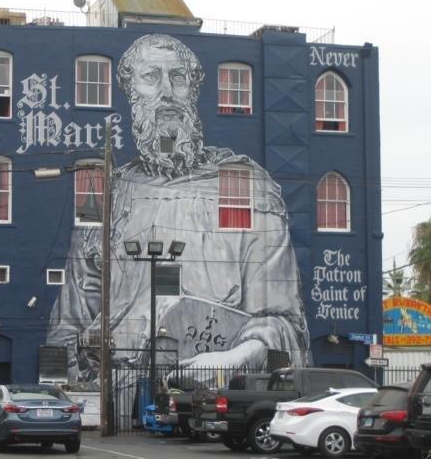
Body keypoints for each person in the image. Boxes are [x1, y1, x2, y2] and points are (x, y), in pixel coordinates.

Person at [48, 34, 310, 384]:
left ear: (194, 90)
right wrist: (74, 391)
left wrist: (233, 359)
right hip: (118, 390)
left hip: (218, 387)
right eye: (151, 77)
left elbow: (285, 322)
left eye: (178, 78)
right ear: (131, 92)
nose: (167, 92)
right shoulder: (107, 196)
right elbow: (69, 324)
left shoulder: (243, 184)